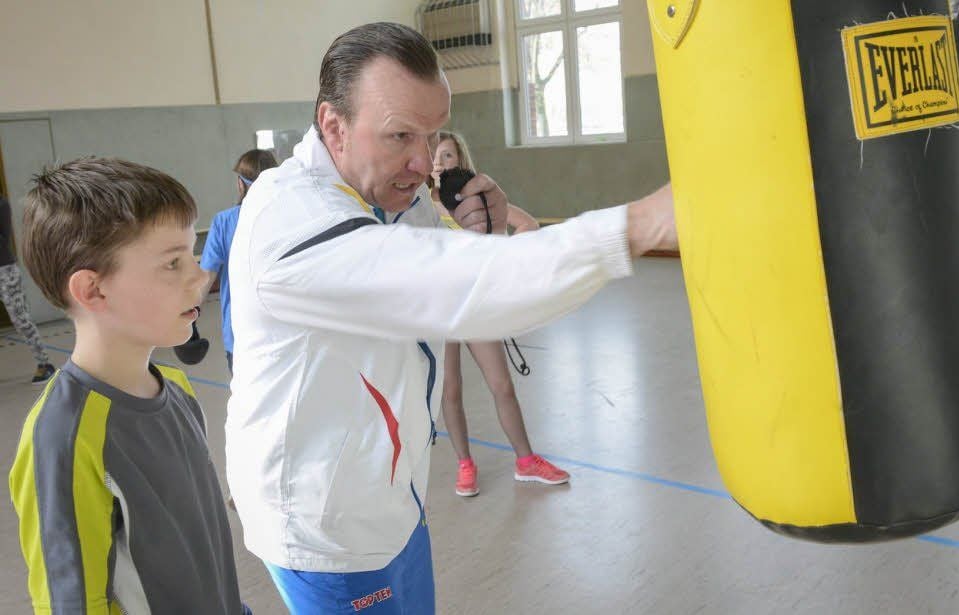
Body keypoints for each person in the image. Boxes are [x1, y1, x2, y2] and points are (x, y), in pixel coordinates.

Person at [226, 22, 676, 615]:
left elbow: (440, 254)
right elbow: (458, 285)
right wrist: (640, 225)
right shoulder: (293, 222)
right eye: (400, 136)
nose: (421, 161)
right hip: (328, 529)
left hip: (391, 495)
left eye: (433, 134)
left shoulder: (386, 191)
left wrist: (471, 231)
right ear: (333, 125)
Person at [9, 158, 251, 614]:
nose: (200, 278)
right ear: (93, 290)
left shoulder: (177, 389)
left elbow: (202, 545)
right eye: (172, 263)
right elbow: (71, 602)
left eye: (193, 256)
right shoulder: (64, 437)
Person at [430, 130, 569, 496]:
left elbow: (528, 225)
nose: (440, 163)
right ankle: (465, 464)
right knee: (451, 389)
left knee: (502, 385)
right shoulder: (419, 206)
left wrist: (500, 256)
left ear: (460, 160)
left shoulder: (479, 199)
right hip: (439, 309)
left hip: (476, 306)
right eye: (435, 155)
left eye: (448, 156)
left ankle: (526, 461)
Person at [200, 149, 279, 372]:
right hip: (283, 335)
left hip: (241, 337)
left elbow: (204, 280)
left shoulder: (224, 222)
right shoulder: (290, 218)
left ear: (240, 184)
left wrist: (189, 321)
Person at [0, 195, 55, 384]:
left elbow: (3, 238)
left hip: (4, 270)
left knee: (20, 319)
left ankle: (45, 365)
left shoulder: (2, 203)